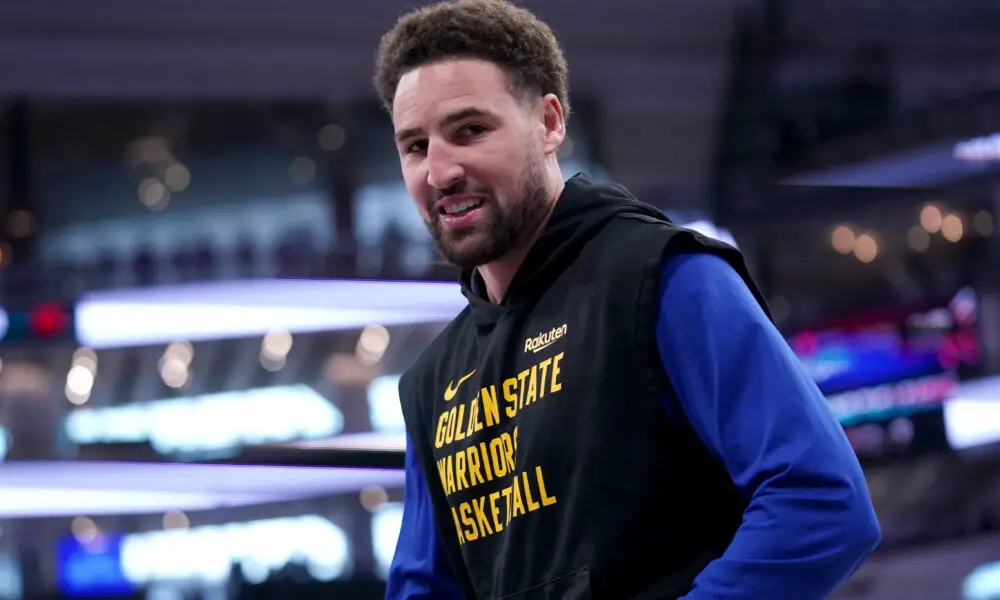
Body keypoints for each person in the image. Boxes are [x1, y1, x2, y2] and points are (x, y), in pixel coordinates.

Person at [373, 1, 882, 598]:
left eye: (470, 131)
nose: (439, 170)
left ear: (549, 123)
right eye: (414, 146)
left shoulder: (664, 278)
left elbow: (821, 502)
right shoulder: (432, 382)